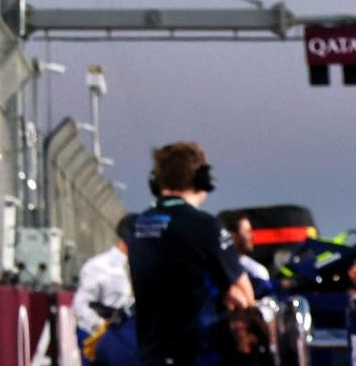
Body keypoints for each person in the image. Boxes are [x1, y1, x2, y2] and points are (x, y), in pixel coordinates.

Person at [128, 142, 255, 366]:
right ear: (204, 178)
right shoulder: (205, 226)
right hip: (197, 354)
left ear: (156, 181)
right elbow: (245, 296)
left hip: (151, 355)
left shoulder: (138, 226)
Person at [75, 213, 136, 356]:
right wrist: (104, 333)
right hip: (103, 339)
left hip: (131, 341)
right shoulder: (99, 266)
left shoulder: (140, 267)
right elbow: (81, 306)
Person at [216, 210, 274, 297]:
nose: (252, 235)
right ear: (231, 235)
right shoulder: (210, 267)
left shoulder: (256, 272)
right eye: (247, 231)